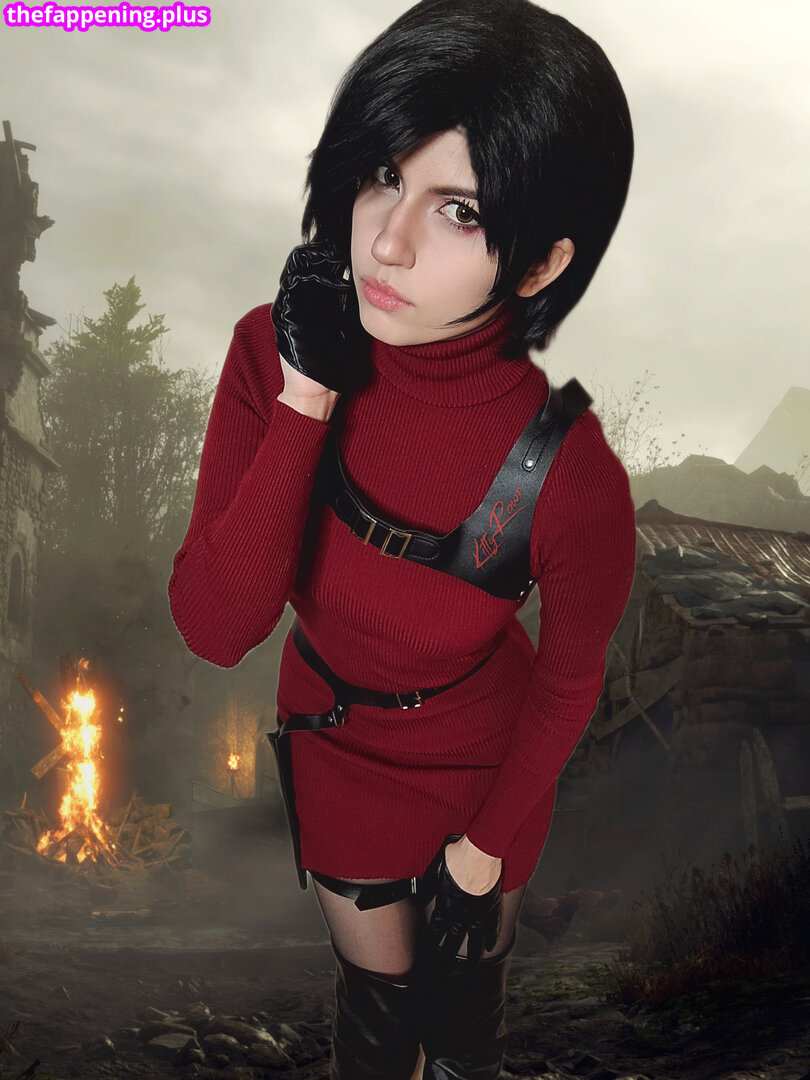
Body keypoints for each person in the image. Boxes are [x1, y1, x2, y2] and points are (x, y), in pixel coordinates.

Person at [168, 1, 636, 1077]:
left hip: (489, 760)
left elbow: (569, 683)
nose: (386, 241)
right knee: (379, 1029)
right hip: (336, 738)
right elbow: (217, 627)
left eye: (459, 210)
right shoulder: (268, 352)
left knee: (462, 1023)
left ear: (539, 264)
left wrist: (483, 850)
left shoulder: (569, 473)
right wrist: (307, 396)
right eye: (383, 175)